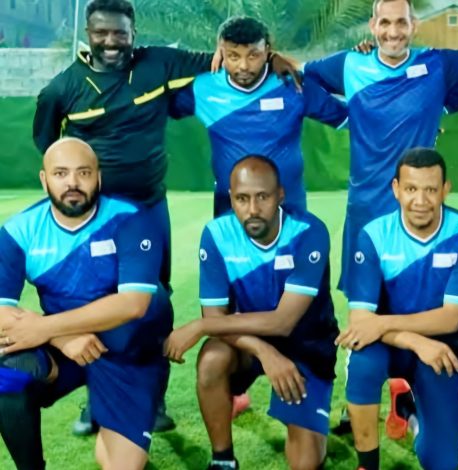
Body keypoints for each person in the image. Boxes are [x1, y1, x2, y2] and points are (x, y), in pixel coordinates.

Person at [33, 0, 298, 435]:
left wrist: (275, 59)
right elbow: (50, 148)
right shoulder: (63, 89)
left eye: (119, 33)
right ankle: (97, 399)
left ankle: (152, 400)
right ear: (88, 34)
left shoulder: (157, 63)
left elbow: (224, 57)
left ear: (133, 33)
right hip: (96, 218)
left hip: (149, 210)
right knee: (96, 303)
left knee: (155, 304)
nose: (111, 41)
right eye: (101, 33)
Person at [304, 0, 458, 436]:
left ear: (415, 25)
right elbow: (304, 76)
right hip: (367, 212)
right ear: (372, 25)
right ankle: (357, 406)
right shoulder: (350, 64)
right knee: (362, 308)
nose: (393, 31)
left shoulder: (439, 64)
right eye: (385, 23)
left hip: (421, 212)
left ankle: (417, 396)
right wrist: (344, 113)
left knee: (423, 305)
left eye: (401, 22)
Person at [0, 138, 173, 470]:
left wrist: (46, 327)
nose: (73, 183)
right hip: (69, 349)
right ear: (44, 180)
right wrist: (61, 338)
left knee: (122, 466)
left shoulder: (130, 218)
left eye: (83, 173)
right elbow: (1, 310)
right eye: (61, 173)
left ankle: (109, 405)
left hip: (126, 348)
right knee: (7, 369)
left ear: (98, 177)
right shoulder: (19, 231)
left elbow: (133, 304)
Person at [164, 156, 339, 470]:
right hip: (248, 343)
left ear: (280, 195)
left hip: (307, 347)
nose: (253, 209)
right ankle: (223, 460)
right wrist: (263, 351)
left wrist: (201, 326)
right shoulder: (217, 234)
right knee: (212, 359)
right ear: (231, 198)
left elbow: (283, 322)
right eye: (242, 199)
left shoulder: (309, 232)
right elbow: (217, 320)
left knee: (306, 463)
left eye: (263, 197)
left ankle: (312, 426)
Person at [334, 148, 458, 470]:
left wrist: (382, 324)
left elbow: (451, 318)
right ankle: (367, 464)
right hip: (388, 346)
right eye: (411, 188)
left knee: (441, 463)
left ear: (445, 190)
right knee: (362, 363)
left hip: (443, 349)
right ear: (396, 189)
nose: (421, 200)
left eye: (431, 189)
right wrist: (415, 341)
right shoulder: (373, 235)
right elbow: (361, 322)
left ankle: (408, 410)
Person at [171, 16, 348, 216]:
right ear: (221, 52)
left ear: (267, 51)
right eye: (233, 56)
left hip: (290, 210)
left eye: (253, 55)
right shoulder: (202, 88)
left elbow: (352, 118)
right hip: (229, 213)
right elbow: (155, 104)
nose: (244, 66)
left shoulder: (293, 85)